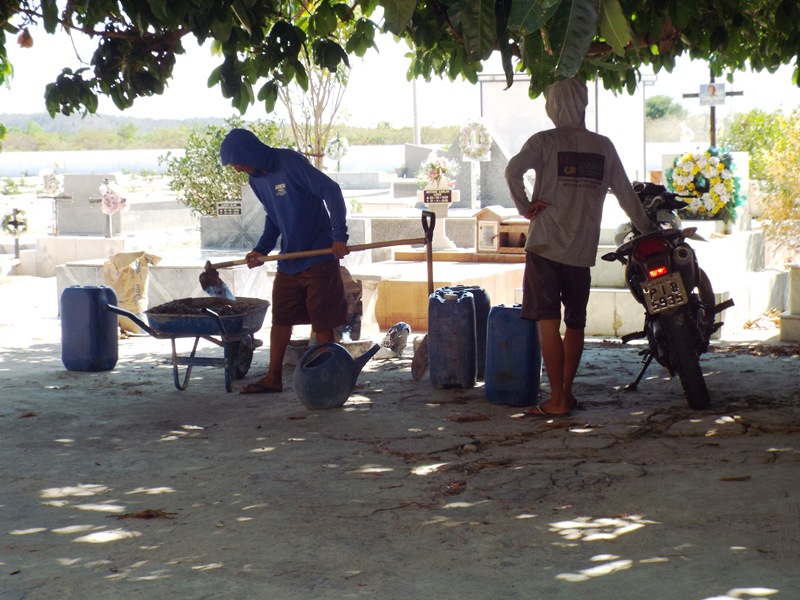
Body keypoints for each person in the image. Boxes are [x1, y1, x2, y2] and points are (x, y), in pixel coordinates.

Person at [505, 78, 653, 417]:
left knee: (547, 319)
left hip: (544, 246)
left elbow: (512, 171)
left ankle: (555, 399)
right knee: (575, 322)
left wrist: (525, 207)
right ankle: (567, 395)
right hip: (580, 250)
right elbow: (627, 196)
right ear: (583, 104)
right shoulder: (603, 147)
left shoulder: (544, 141)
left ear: (552, 106)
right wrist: (647, 229)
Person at [220, 128, 350, 394]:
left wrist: (339, 235)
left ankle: (328, 380)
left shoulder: (289, 162)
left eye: (236, 163)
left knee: (322, 322)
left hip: (318, 255)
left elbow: (331, 190)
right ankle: (273, 378)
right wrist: (262, 249)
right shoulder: (256, 180)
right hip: (290, 259)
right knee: (281, 319)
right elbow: (273, 218)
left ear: (249, 154)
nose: (236, 169)